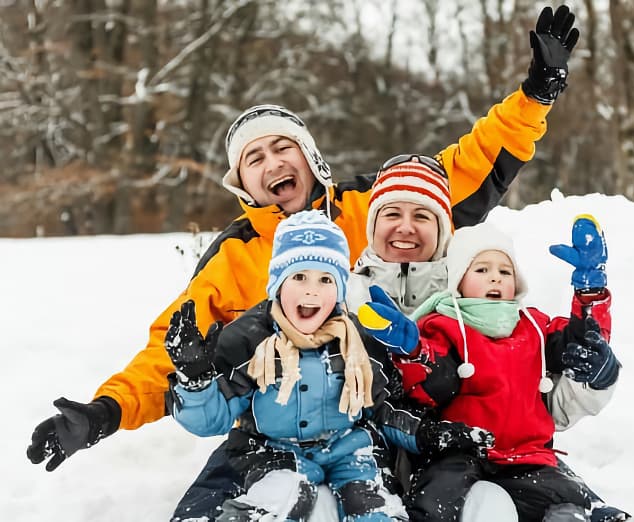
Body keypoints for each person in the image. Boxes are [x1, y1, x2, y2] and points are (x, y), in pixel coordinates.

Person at [26, 4, 580, 519]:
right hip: (276, 425)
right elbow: (174, 350)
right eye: (253, 160)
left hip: (388, 415)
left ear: (310, 157)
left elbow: (467, 166)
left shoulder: (370, 206)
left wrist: (534, 96)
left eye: (281, 148)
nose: (271, 164)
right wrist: (102, 413)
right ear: (242, 183)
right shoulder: (237, 255)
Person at [165, 210, 492, 521]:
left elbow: (384, 410)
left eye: (325, 279)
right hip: (271, 451)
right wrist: (194, 379)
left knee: (374, 505)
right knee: (278, 498)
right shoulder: (251, 339)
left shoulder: (357, 342)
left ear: (338, 290)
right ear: (278, 284)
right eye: (299, 276)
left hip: (349, 451)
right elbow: (212, 420)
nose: (311, 288)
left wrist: (430, 433)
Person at [392, 219, 620, 521]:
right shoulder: (442, 325)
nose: (495, 279)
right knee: (437, 498)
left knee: (571, 495)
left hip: (526, 454)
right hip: (460, 450)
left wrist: (589, 292)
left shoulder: (534, 327)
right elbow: (429, 382)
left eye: (504, 271)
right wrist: (414, 353)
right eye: (482, 270)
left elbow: (582, 344)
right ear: (459, 280)